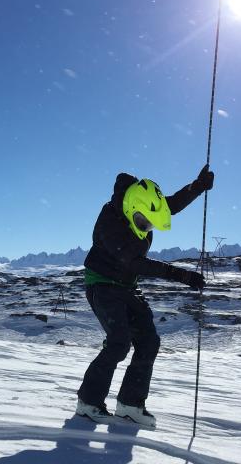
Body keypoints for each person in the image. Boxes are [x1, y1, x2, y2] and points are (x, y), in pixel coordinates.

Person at [76, 164, 214, 428]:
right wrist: (182, 276)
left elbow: (169, 206)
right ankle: (88, 402)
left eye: (150, 223)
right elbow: (134, 262)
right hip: (102, 283)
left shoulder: (142, 205)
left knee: (149, 341)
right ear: (130, 208)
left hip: (126, 286)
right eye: (144, 222)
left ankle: (130, 404)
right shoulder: (109, 220)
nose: (148, 226)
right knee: (119, 342)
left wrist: (197, 186)